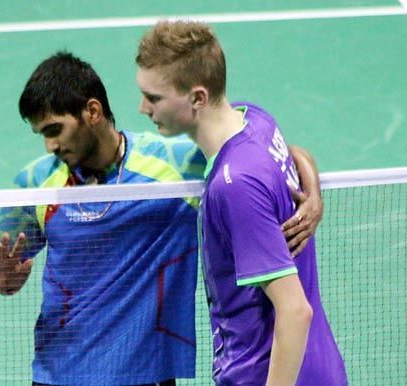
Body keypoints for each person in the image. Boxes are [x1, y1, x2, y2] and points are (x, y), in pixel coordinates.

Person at [0, 51, 323, 386]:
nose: (49, 146)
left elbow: (263, 153)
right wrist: (6, 281)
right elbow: (7, 274)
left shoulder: (172, 164)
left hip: (146, 371)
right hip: (60, 372)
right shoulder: (35, 183)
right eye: (41, 134)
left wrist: (313, 193)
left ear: (92, 112)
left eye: (55, 129)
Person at [135, 21, 348, 385]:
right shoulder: (254, 119)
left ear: (198, 98)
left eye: (154, 98)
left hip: (269, 373)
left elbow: (295, 311)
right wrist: (312, 186)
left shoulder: (234, 186)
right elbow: (295, 153)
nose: (143, 108)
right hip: (317, 365)